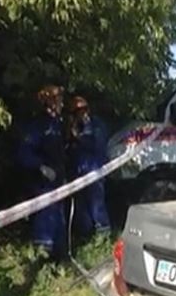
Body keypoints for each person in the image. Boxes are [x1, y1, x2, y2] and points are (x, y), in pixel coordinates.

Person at [16, 84, 68, 259]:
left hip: (58, 182)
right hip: (43, 184)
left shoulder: (58, 124)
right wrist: (41, 167)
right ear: (50, 103)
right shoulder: (38, 125)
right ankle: (42, 259)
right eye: (59, 100)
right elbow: (24, 152)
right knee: (45, 219)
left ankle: (60, 257)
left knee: (59, 219)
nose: (62, 104)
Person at [65, 95, 111, 237]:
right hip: (78, 172)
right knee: (81, 206)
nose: (81, 113)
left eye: (83, 109)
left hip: (94, 170)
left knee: (97, 204)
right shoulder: (72, 127)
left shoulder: (96, 125)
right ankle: (85, 236)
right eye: (77, 111)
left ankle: (103, 234)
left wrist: (79, 137)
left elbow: (98, 146)